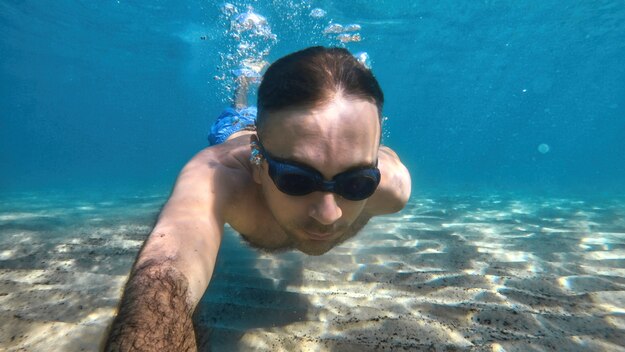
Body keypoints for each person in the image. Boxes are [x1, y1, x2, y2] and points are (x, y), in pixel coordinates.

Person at [103, 46, 411, 351]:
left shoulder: (391, 189)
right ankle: (243, 87)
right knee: (239, 115)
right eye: (296, 179)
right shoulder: (219, 176)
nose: (329, 215)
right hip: (235, 132)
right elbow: (163, 272)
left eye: (356, 183)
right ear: (258, 163)